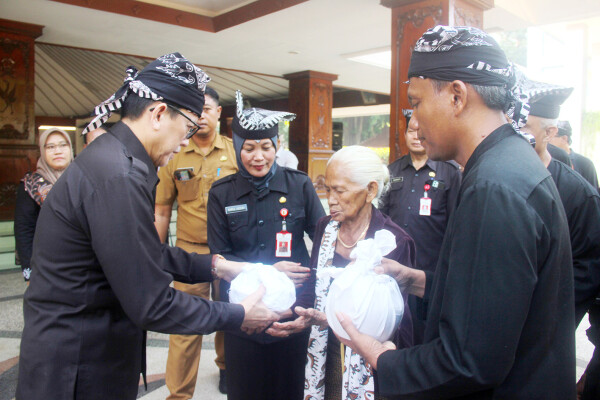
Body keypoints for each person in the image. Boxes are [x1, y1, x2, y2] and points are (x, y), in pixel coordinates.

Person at [15, 53, 279, 400]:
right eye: (187, 128)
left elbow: (142, 253)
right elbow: (151, 303)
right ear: (157, 114)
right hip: (77, 365)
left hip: (85, 352)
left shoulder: (116, 160)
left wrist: (215, 265)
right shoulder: (117, 176)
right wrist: (239, 314)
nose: (185, 141)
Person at [334, 26, 575, 399]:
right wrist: (416, 280)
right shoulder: (508, 163)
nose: (413, 121)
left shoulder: (494, 188)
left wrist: (383, 359)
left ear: (457, 96)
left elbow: (470, 361)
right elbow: (495, 304)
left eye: (416, 102)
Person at [267, 145, 415, 400]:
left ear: (370, 190)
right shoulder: (326, 227)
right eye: (327, 189)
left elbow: (399, 320)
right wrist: (303, 315)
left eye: (340, 191)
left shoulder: (391, 242)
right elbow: (315, 284)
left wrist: (335, 320)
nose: (331, 199)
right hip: (325, 352)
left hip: (371, 360)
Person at [207, 90, 326, 400]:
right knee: (245, 390)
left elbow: (322, 243)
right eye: (248, 148)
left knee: (288, 389)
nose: (258, 157)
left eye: (265, 147)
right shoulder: (222, 193)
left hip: (290, 313)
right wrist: (269, 272)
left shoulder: (299, 184)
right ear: (236, 148)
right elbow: (220, 257)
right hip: (243, 314)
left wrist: (312, 294)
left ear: (277, 146)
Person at [155, 86, 236, 397]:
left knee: (229, 313)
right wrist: (155, 259)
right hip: (189, 252)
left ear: (218, 113)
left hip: (227, 252)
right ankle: (179, 393)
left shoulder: (234, 152)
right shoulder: (175, 152)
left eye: (207, 109)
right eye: (195, 109)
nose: (200, 115)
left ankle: (227, 367)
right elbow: (162, 211)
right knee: (185, 325)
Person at [518, 77, 600, 325]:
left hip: (548, 319)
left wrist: (546, 304)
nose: (516, 134)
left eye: (525, 128)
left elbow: (588, 266)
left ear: (550, 132)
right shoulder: (498, 180)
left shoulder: (579, 194)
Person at [379, 109, 461, 343]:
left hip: (430, 267)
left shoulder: (449, 171)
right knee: (395, 327)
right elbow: (382, 218)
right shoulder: (392, 171)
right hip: (396, 264)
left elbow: (456, 222)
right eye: (410, 131)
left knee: (426, 331)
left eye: (420, 131)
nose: (415, 136)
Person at [14, 127, 73, 282]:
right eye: (50, 147)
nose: (58, 151)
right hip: (46, 267)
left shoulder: (83, 179)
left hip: (82, 263)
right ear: (42, 151)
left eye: (63, 145)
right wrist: (29, 273)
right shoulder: (31, 184)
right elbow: (24, 230)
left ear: (70, 148)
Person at [551, 120, 599, 189]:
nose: (547, 140)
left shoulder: (585, 164)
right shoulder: (546, 160)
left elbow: (593, 194)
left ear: (564, 138)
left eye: (552, 136)